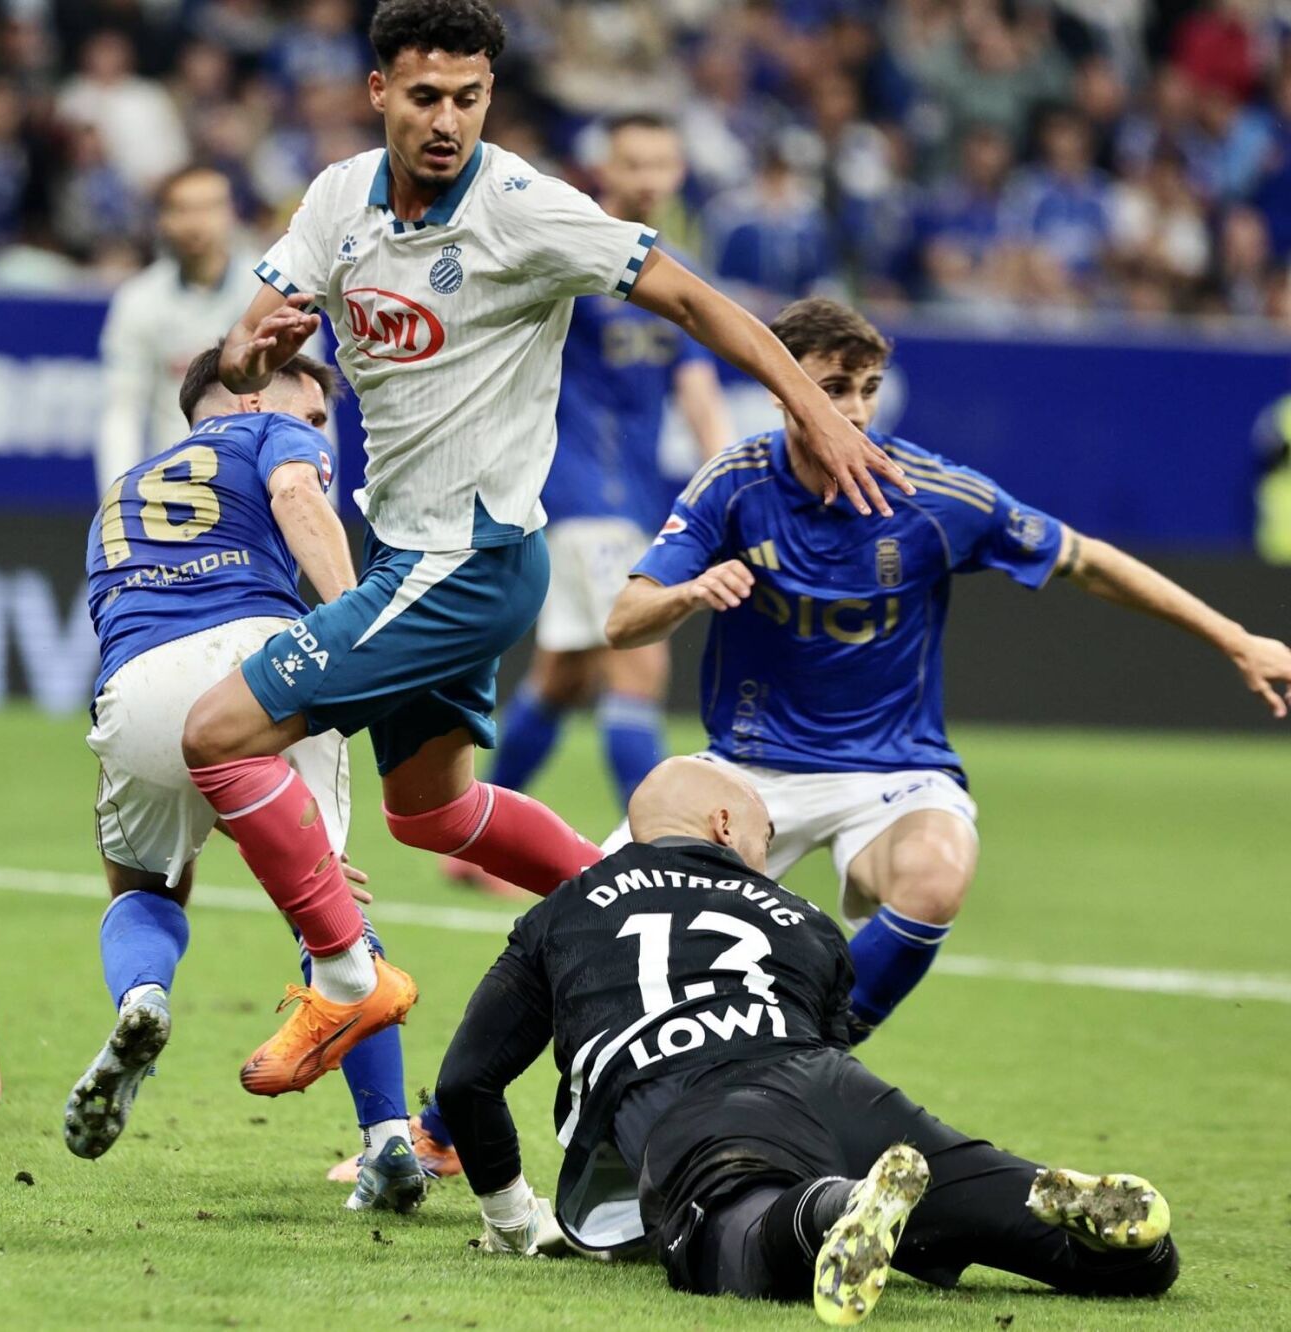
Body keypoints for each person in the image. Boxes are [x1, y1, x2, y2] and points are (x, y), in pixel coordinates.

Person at [178, 0, 907, 1100]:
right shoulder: (336, 199)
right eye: (425, 96)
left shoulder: (525, 210)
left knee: (214, 735)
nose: (447, 120)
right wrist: (245, 357)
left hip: (466, 559)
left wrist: (809, 408)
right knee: (430, 813)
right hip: (404, 547)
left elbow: (695, 302)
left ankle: (346, 978)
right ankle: (652, 907)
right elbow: (245, 346)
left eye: (468, 99)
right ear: (379, 92)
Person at [606, 298, 1291, 1040]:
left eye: (868, 388)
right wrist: (689, 593)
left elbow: (1087, 561)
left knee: (935, 872)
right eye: (833, 388)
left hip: (892, 771)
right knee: (600, 921)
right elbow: (624, 622)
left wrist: (1234, 638)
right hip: (747, 766)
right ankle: (519, 1091)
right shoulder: (732, 484)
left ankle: (814, 1049)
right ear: (780, 389)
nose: (855, 409)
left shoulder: (932, 493)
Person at [433, 757, 1179, 1326]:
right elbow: (828, 1041)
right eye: (765, 833)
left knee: (737, 1243)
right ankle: (1078, 1213)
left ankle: (832, 1207)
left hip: (697, 1111)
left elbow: (468, 1080)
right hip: (840, 1090)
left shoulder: (563, 913)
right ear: (724, 826)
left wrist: (509, 1221)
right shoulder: (802, 917)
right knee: (1129, 1271)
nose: (766, 849)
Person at [67, 343, 436, 1211]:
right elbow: (299, 497)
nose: (317, 433)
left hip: (139, 685)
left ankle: (144, 996)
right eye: (309, 415)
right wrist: (360, 625)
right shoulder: (267, 434)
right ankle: (387, 1142)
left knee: (143, 885)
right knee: (329, 914)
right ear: (246, 398)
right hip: (264, 661)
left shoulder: (121, 492)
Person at [454, 113, 733, 899]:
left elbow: (699, 391)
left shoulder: (677, 272)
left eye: (660, 163)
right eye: (632, 161)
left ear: (679, 173)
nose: (646, 177)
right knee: (637, 668)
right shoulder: (571, 253)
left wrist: (727, 482)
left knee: (565, 677)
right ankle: (659, 860)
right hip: (578, 493)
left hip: (636, 499)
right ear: (605, 168)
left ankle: (475, 842)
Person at [94, 165, 261, 493]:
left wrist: (319, 500)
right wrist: (115, 502)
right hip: (173, 494)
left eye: (209, 207)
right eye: (182, 209)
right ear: (163, 220)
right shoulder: (138, 300)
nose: (196, 222)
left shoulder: (269, 290)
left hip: (259, 492)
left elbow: (307, 402)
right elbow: (122, 410)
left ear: (231, 213)